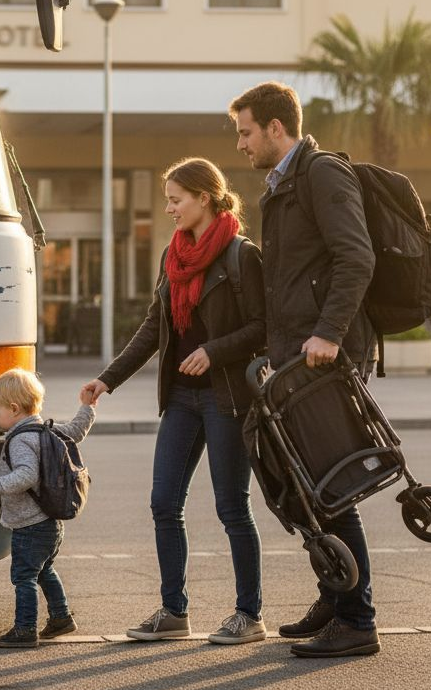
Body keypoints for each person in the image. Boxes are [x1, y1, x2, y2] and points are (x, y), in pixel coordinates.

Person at [80, 158, 268, 646]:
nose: (169, 209)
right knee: (164, 503)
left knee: (232, 508)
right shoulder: (175, 255)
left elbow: (264, 328)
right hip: (183, 398)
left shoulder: (241, 255)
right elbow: (153, 328)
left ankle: (249, 615)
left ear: (204, 198)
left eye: (175, 199)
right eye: (167, 199)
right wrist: (108, 379)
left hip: (228, 398)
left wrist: (213, 351)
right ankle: (174, 612)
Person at [230, 81, 380, 658]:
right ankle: (334, 596)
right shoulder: (282, 185)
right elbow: (288, 280)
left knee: (332, 488)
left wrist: (330, 333)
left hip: (324, 354)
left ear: (275, 127)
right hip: (295, 354)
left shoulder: (321, 174)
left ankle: (358, 619)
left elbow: (356, 256)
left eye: (246, 132)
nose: (241, 144)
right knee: (305, 487)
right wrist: (276, 345)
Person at [0, 368, 96, 649]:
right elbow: (76, 430)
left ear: (14, 409)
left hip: (30, 525)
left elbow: (26, 475)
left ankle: (25, 629)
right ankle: (61, 618)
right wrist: (86, 407)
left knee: (23, 576)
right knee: (44, 571)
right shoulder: (46, 430)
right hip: (51, 523)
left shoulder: (20, 440)